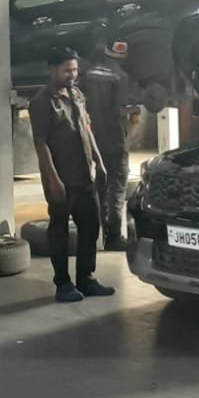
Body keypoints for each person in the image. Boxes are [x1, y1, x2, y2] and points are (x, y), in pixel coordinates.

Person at [30, 47, 115, 303]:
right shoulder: (42, 101)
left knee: (91, 227)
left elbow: (87, 130)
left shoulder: (77, 94)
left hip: (85, 176)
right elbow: (40, 143)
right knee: (59, 232)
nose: (72, 75)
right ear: (52, 70)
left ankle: (86, 279)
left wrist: (98, 161)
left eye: (75, 70)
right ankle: (63, 284)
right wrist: (53, 179)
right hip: (62, 180)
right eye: (67, 70)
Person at [81, 39, 138, 251]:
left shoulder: (89, 74)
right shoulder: (120, 76)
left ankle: (99, 234)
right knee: (117, 189)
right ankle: (113, 237)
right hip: (116, 140)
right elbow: (121, 109)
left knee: (100, 187)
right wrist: (135, 109)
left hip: (94, 141)